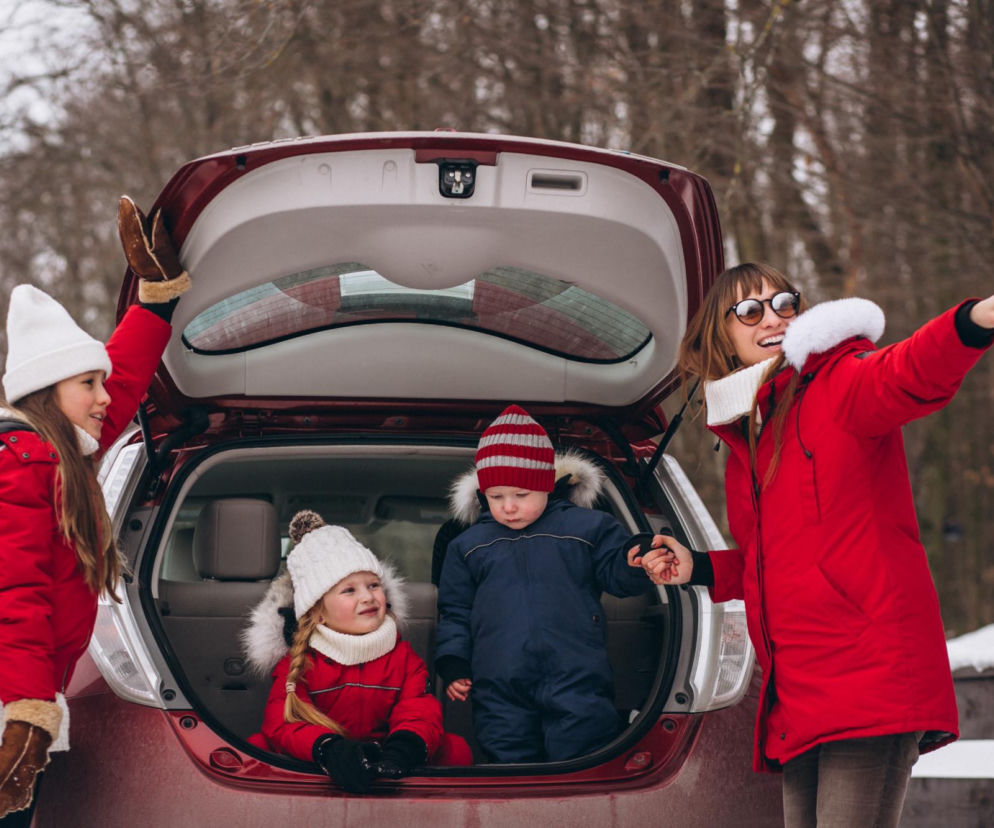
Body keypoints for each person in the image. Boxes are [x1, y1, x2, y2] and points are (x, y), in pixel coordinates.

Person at [631, 262, 994, 828]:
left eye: (783, 303)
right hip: (800, 694)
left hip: (867, 678)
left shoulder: (838, 381)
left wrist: (974, 321)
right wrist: (697, 567)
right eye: (749, 311)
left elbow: (906, 371)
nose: (772, 318)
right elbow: (774, 563)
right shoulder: (751, 434)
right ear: (721, 339)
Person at [0, 196, 191, 824]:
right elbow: (14, 595)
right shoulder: (20, 467)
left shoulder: (60, 456)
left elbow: (128, 379)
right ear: (48, 393)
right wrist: (26, 712)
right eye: (89, 385)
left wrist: (157, 300)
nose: (106, 398)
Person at [435, 404, 657, 763]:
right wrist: (454, 664)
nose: (508, 507)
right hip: (499, 679)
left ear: (545, 485)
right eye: (496, 497)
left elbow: (617, 575)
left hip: (576, 672)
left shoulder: (588, 528)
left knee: (581, 753)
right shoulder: (468, 545)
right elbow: (455, 611)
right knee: (508, 757)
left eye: (521, 495)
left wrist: (637, 561)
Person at [243, 510, 472, 794]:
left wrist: (405, 746)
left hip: (388, 757)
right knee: (257, 746)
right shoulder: (300, 663)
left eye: (373, 585)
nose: (367, 596)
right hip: (318, 764)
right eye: (349, 590)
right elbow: (282, 722)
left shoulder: (402, 656)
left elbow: (419, 708)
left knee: (456, 749)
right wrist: (329, 750)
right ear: (318, 614)